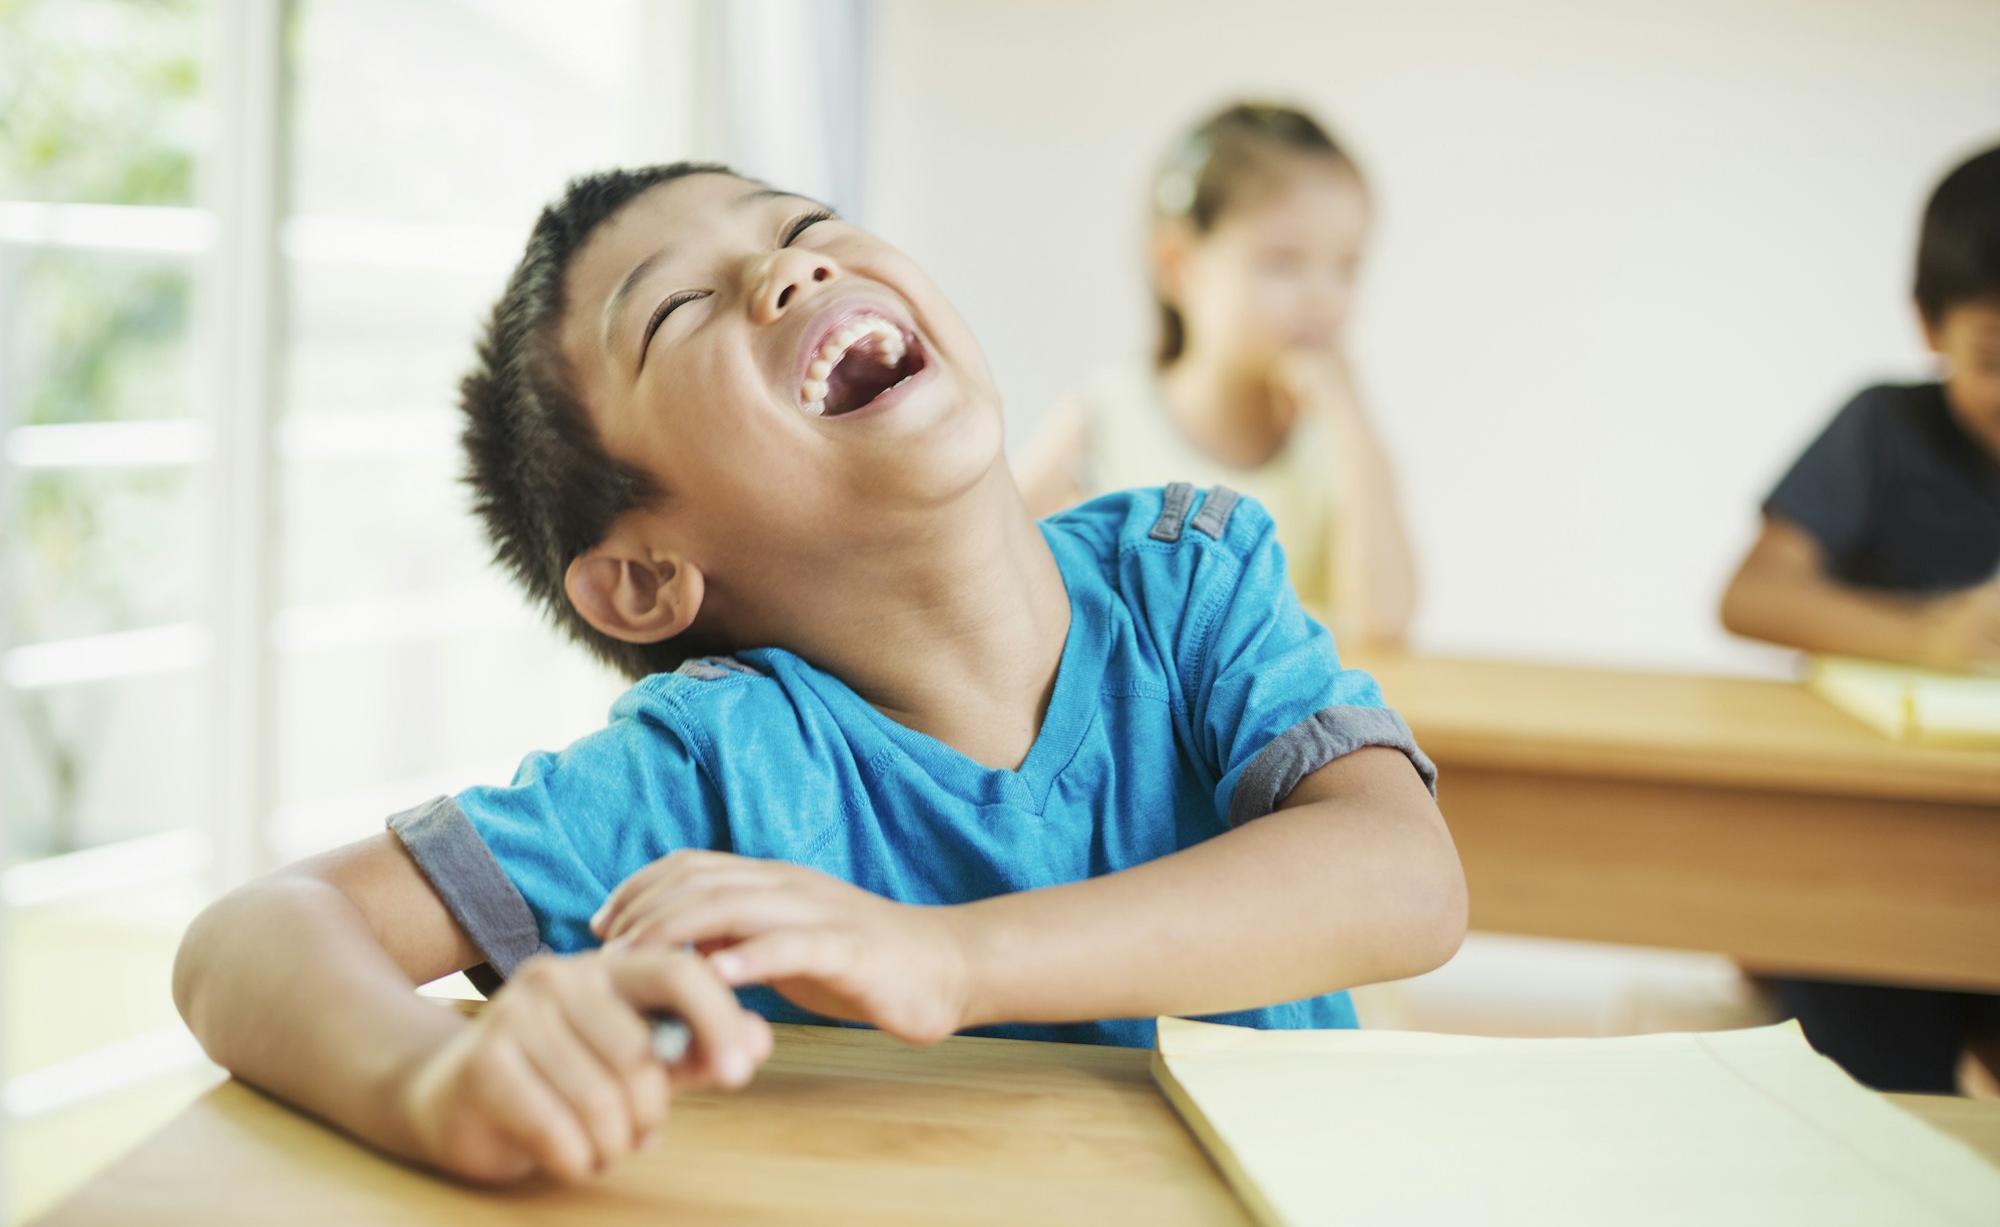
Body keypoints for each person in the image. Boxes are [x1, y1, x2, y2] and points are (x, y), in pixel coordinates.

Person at [173, 163, 1467, 1184]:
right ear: (646, 577)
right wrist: (431, 1083)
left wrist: (946, 959)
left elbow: (1406, 881)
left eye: (800, 225)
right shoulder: (715, 766)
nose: (786, 268)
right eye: (677, 310)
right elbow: (251, 935)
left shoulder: (1187, 577)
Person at [1720, 143, 2000, 1092]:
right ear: (1929, 322)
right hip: (1872, 861)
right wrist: (1928, 636)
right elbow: (1752, 595)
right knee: (1874, 1091)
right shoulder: (1884, 429)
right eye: (1995, 358)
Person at [1015, 102, 1417, 644]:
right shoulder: (1106, 416)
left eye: (1347, 266)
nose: (1322, 296)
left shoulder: (1335, 441)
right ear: (1178, 264)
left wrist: (1352, 423)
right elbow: (987, 562)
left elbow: (1386, 622)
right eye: (1284, 262)